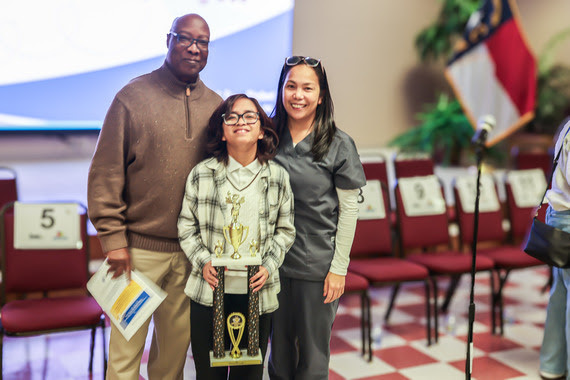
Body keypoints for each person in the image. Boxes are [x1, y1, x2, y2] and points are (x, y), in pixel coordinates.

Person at [87, 14, 222, 379]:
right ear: (168, 40)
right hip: (134, 255)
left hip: (190, 256)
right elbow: (105, 173)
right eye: (185, 38)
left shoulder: (216, 106)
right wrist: (113, 240)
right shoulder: (132, 97)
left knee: (171, 362)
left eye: (203, 41)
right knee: (124, 360)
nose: (194, 47)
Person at [178, 94, 296, 379]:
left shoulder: (277, 177)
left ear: (262, 130)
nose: (241, 121)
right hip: (209, 292)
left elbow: (286, 230)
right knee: (208, 374)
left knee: (249, 374)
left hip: (257, 291)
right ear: (221, 132)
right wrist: (203, 260)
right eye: (231, 116)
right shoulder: (201, 174)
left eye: (249, 116)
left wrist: (268, 267)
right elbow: (186, 226)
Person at [268, 56, 366, 379]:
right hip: (273, 266)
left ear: (321, 95)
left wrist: (339, 269)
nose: (298, 95)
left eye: (308, 88)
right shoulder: (267, 138)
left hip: (318, 268)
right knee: (279, 358)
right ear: (281, 90)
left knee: (311, 359)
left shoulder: (339, 144)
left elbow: (349, 211)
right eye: (291, 86)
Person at [539, 118, 570, 380]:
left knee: (560, 294)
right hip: (569, 219)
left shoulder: (567, 128)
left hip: (560, 217)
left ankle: (552, 365)